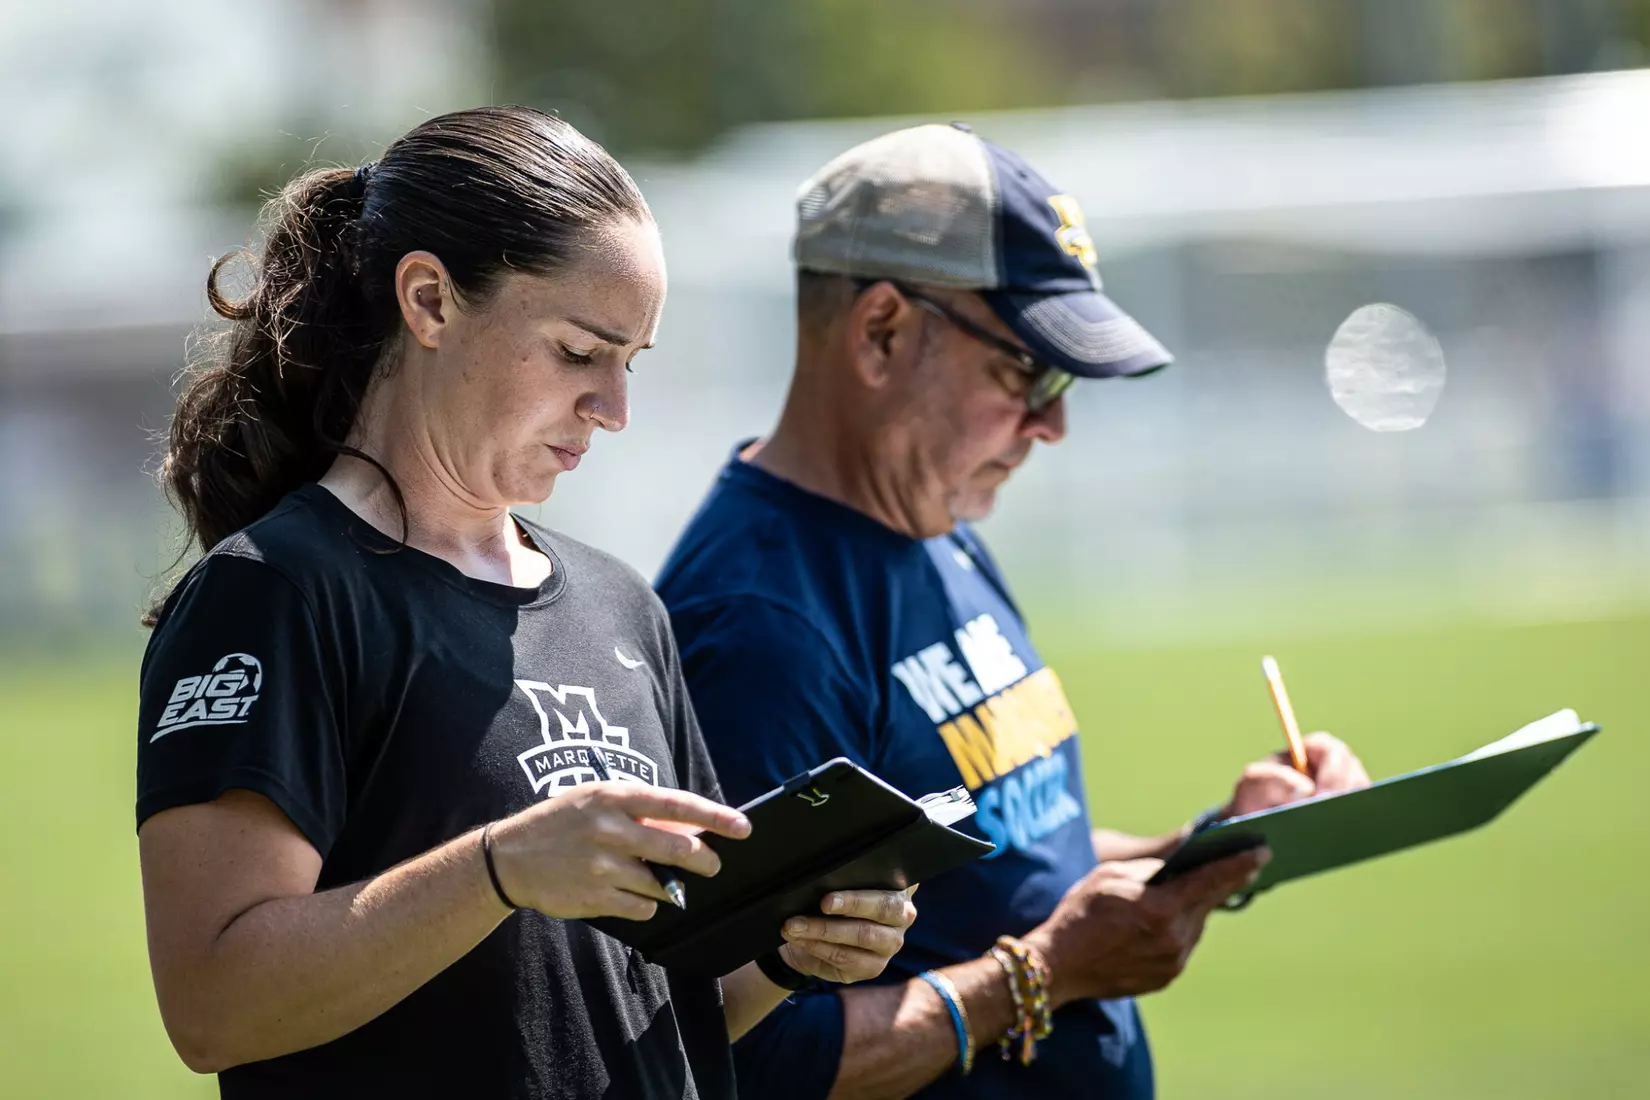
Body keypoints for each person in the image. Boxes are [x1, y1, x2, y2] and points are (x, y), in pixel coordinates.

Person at [135, 106, 917, 1100]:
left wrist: (790, 950)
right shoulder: (275, 591)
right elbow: (214, 1004)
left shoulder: (622, 605)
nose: (615, 408)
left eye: (630, 362)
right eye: (581, 350)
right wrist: (500, 866)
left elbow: (661, 1015)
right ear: (429, 300)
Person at [655, 123, 1372, 1099]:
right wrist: (1045, 972)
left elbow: (1008, 860)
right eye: (1027, 370)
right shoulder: (757, 622)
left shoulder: (929, 518)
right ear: (881, 332)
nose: (1053, 422)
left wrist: (1212, 841)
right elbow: (745, 1051)